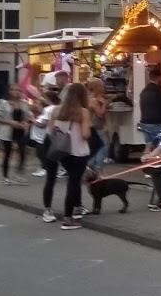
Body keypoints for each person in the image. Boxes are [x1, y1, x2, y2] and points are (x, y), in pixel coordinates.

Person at [41, 82, 92, 230]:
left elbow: (50, 132)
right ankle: (68, 218)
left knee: (72, 180)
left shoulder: (56, 110)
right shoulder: (83, 112)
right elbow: (85, 134)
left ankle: (74, 212)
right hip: (79, 151)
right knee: (74, 182)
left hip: (63, 151)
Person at [0, 85, 29, 184]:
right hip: (7, 131)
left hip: (20, 130)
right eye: (14, 90)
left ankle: (19, 174)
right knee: (8, 154)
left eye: (18, 90)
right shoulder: (3, 103)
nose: (16, 92)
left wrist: (25, 122)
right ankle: (5, 177)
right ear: (9, 91)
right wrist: (10, 122)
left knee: (23, 152)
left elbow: (27, 116)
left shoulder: (24, 103)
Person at [139, 67, 161, 156]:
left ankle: (146, 160)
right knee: (160, 145)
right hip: (157, 122)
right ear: (159, 77)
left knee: (148, 145)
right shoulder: (160, 90)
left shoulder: (144, 91)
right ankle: (157, 164)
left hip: (145, 122)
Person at [85, 79, 110, 172]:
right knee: (103, 146)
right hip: (97, 126)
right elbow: (100, 113)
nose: (103, 87)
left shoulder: (87, 98)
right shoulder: (94, 100)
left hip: (91, 126)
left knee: (94, 146)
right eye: (101, 86)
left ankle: (91, 165)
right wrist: (104, 104)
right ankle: (97, 166)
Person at [29, 97, 55, 177]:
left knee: (42, 154)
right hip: (38, 138)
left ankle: (45, 169)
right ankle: (43, 167)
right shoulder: (41, 114)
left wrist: (33, 120)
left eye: (37, 104)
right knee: (39, 153)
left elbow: (42, 125)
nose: (36, 106)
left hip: (42, 138)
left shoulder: (46, 113)